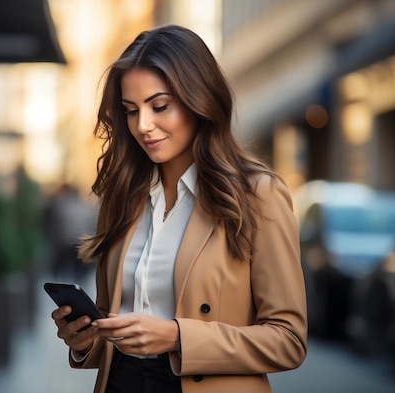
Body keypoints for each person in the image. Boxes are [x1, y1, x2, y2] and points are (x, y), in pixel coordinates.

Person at [50, 24, 307, 393]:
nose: (143, 125)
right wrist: (85, 341)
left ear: (198, 98)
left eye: (159, 106)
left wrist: (177, 337)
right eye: (130, 110)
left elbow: (289, 341)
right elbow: (112, 325)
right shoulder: (122, 196)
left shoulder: (257, 195)